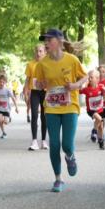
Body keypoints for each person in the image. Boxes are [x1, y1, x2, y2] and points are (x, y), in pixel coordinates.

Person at [35, 29, 88, 193]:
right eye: (44, 40)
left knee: (66, 144)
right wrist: (40, 85)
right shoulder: (42, 63)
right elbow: (38, 83)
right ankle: (58, 179)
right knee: (54, 144)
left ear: (58, 41)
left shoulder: (71, 60)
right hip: (51, 107)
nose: (46, 43)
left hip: (70, 105)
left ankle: (70, 156)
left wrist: (75, 86)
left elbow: (84, 77)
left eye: (48, 40)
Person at [24, 44, 48, 151]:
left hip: (45, 92)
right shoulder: (30, 64)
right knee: (34, 115)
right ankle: (34, 141)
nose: (38, 53)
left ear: (45, 52)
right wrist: (25, 91)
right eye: (37, 51)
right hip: (34, 92)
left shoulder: (48, 64)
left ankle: (43, 141)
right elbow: (27, 79)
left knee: (44, 116)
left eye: (40, 51)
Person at [80, 69, 105, 150]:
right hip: (91, 110)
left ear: (97, 79)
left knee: (100, 126)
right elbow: (77, 90)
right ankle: (94, 131)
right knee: (99, 119)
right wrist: (82, 83)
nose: (89, 79)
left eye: (91, 77)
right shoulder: (86, 89)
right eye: (89, 77)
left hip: (100, 109)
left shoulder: (101, 87)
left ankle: (101, 141)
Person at [0, 73, 18, 140]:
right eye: (0, 82)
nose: (1, 83)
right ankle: (4, 132)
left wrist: (16, 107)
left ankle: (8, 119)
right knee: (0, 120)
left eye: (3, 82)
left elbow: (13, 98)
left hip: (6, 109)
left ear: (5, 82)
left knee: (5, 122)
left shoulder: (7, 90)